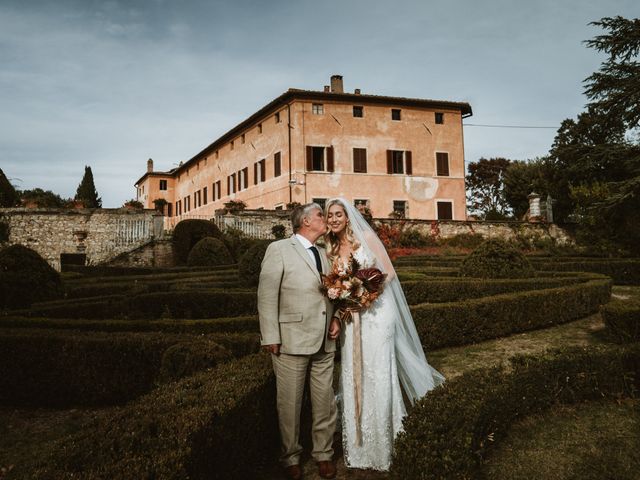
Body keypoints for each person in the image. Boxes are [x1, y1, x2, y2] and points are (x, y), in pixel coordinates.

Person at [324, 198, 445, 471]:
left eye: (338, 214)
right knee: (356, 375)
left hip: (378, 314)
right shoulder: (331, 249)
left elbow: (388, 272)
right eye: (329, 215)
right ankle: (360, 447)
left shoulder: (366, 236)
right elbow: (336, 287)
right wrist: (345, 299)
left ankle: (386, 445)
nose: (333, 219)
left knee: (379, 372)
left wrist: (366, 294)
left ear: (347, 216)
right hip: (352, 320)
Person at [258, 203, 342, 480]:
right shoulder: (279, 249)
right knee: (290, 404)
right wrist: (271, 336)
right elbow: (267, 295)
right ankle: (291, 457)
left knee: (324, 402)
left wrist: (336, 317)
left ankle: (323, 454)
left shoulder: (325, 253)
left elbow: (334, 294)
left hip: (324, 342)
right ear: (306, 221)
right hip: (291, 340)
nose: (326, 218)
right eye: (321, 214)